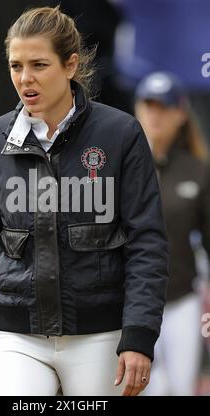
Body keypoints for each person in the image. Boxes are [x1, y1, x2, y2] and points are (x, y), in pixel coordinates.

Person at [0, 6, 168, 396]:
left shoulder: (121, 134)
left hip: (100, 336)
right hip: (19, 338)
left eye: (38, 65)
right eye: (16, 66)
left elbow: (147, 244)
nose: (24, 78)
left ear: (70, 65)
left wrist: (138, 336)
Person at [134, 71, 210, 395]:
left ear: (180, 113)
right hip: (132, 300)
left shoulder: (198, 170)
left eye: (162, 107)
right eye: (148, 105)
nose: (155, 114)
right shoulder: (124, 167)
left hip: (181, 299)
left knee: (180, 386)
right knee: (145, 387)